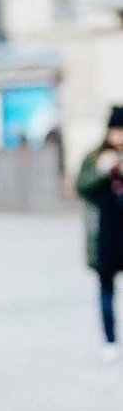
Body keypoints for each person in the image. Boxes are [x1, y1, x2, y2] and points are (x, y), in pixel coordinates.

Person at [76, 105, 123, 362]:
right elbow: (82, 187)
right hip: (104, 234)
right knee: (106, 288)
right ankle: (110, 340)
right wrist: (103, 171)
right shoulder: (94, 158)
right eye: (116, 130)